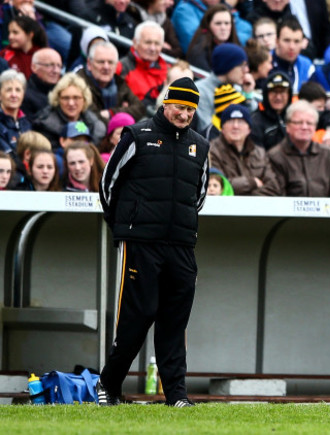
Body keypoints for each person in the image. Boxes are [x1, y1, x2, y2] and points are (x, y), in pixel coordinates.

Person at [97, 77, 210, 407]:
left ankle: (176, 396)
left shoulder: (200, 146)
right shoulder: (138, 135)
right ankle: (109, 384)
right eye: (179, 107)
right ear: (165, 103)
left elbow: (198, 196)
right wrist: (123, 226)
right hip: (140, 242)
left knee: (176, 321)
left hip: (181, 244)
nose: (184, 114)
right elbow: (109, 183)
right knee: (138, 315)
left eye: (190, 109)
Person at [268, 100, 330, 197]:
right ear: (288, 126)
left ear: (315, 127)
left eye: (309, 123)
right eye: (299, 123)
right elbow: (277, 195)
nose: (304, 127)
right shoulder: (275, 156)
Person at [209, 104, 280, 196]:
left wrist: (249, 200)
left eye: (241, 122)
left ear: (249, 129)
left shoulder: (260, 153)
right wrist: (251, 183)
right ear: (222, 128)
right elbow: (219, 184)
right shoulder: (212, 151)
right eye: (230, 121)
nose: (235, 126)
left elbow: (274, 186)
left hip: (256, 208)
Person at [32, 73, 107, 155]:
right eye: (66, 98)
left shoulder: (94, 124)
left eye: (76, 97)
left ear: (84, 99)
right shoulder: (44, 125)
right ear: (58, 99)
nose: (71, 103)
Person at [77, 41, 145, 124]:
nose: (106, 67)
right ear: (89, 64)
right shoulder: (78, 84)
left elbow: (140, 108)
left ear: (116, 65)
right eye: (101, 62)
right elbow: (94, 119)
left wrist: (111, 113)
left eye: (111, 62)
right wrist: (123, 113)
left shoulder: (118, 82)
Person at [195, 43, 253, 135]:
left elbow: (250, 123)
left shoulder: (236, 89)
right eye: (242, 65)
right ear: (227, 66)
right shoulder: (200, 91)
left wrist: (248, 95)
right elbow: (206, 129)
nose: (246, 70)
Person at [119, 21, 168, 103]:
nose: (153, 48)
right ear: (135, 43)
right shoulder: (120, 68)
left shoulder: (167, 71)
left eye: (157, 44)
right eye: (148, 42)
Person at [186, 4, 241, 72]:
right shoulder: (199, 49)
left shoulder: (237, 46)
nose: (223, 28)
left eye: (227, 23)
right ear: (208, 25)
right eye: (218, 23)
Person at [271, 17, 314, 95]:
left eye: (297, 41)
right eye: (287, 40)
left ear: (302, 43)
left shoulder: (307, 66)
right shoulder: (264, 63)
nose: (292, 47)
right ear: (277, 41)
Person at [250, 70, 291, 150]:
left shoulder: (295, 118)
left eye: (282, 92)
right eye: (274, 92)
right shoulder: (255, 121)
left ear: (289, 94)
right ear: (266, 95)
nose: (278, 97)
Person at [21, 48, 62, 121]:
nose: (56, 71)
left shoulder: (64, 92)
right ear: (34, 67)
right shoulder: (24, 96)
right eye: (50, 65)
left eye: (59, 66)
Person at [0, 69, 30, 156]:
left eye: (18, 90)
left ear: (23, 95)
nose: (14, 95)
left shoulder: (27, 122)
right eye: (9, 90)